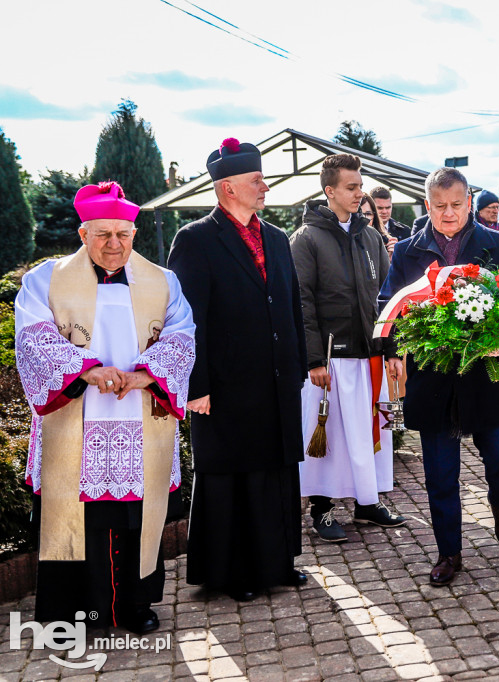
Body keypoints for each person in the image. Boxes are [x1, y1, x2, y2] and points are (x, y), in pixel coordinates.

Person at [15, 182, 196, 633]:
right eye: (103, 235)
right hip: (75, 420)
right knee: (83, 518)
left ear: (134, 233)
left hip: (140, 419)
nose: (115, 245)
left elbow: (182, 334)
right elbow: (33, 337)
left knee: (136, 519)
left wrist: (148, 373)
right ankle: (77, 610)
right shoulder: (44, 279)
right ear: (82, 233)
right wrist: (85, 369)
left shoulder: (163, 281)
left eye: (124, 234)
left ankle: (134, 606)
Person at [168, 138, 308, 601]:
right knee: (236, 475)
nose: (264, 186)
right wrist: (196, 385)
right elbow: (187, 321)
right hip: (225, 385)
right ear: (228, 188)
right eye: (256, 180)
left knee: (276, 470)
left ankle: (278, 562)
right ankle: (235, 573)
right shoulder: (195, 240)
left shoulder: (275, 238)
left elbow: (290, 305)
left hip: (274, 380)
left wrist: (298, 364)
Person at [378, 167, 499, 586]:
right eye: (439, 206)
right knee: (440, 474)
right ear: (427, 205)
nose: (448, 213)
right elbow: (390, 302)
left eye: (457, 204)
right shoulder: (407, 251)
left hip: (487, 375)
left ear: (469, 202)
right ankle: (449, 553)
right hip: (434, 378)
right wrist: (393, 350)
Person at [290, 154, 406, 545]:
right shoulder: (306, 239)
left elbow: (386, 301)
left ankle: (367, 502)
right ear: (330, 191)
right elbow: (301, 302)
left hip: (369, 354)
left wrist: (390, 350)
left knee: (368, 432)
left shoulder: (371, 237)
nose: (360, 193)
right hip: (330, 358)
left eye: (360, 185)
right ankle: (321, 509)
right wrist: (313, 359)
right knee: (330, 434)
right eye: (351, 187)